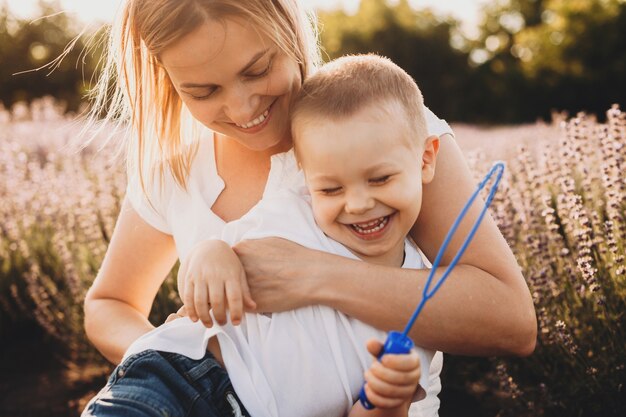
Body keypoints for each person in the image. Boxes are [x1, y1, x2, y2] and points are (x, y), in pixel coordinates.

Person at [82, 0, 536, 415]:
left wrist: (315, 276)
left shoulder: (379, 131)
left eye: (258, 70)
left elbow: (511, 321)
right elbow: (109, 303)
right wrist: (177, 355)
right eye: (203, 91)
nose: (242, 107)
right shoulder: (175, 172)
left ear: (289, 29)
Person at [103, 53, 440, 417]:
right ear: (305, 178)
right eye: (330, 189)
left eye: (380, 179)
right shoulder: (293, 213)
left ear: (425, 159)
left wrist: (389, 399)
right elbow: (213, 256)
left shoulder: (418, 298)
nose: (357, 204)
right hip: (187, 379)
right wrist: (211, 256)